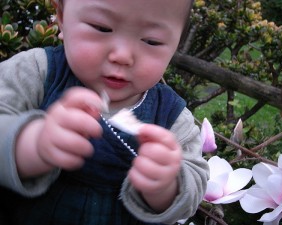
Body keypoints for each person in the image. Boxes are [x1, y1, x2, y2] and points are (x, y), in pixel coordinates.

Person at [0, 0, 210, 224]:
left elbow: (193, 188)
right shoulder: (35, 72)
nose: (122, 55)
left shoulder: (173, 118)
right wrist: (31, 144)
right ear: (62, 17)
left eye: (152, 41)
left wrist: (166, 187)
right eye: (102, 28)